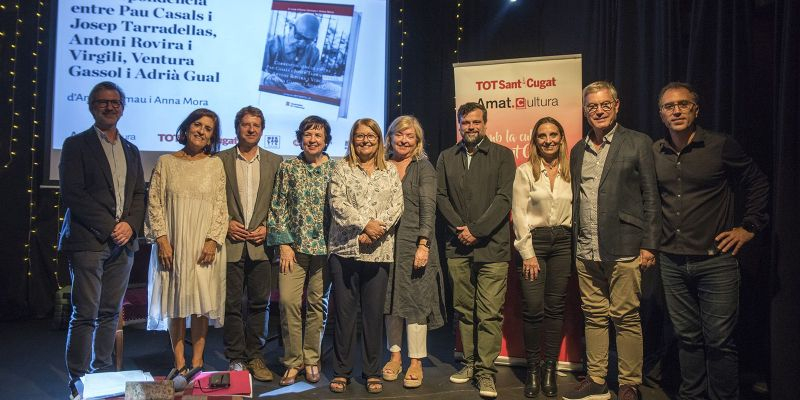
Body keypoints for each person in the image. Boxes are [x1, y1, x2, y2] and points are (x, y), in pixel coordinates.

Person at [652, 82, 769, 400]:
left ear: (695, 109)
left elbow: (757, 181)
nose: (676, 111)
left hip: (716, 260)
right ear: (661, 115)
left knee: (718, 340)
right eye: (668, 106)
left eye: (683, 104)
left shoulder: (720, 145)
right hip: (672, 261)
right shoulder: (655, 152)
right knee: (686, 337)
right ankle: (692, 395)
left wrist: (749, 228)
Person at [562, 81, 660, 400]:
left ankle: (629, 382)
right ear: (585, 111)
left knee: (626, 316)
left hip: (626, 246)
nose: (599, 111)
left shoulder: (637, 142)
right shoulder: (578, 149)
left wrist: (649, 243)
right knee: (593, 315)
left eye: (605, 105)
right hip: (586, 248)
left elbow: (651, 196)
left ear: (617, 106)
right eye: (592, 106)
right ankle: (596, 378)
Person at [59, 81, 146, 400]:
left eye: (115, 102)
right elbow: (74, 194)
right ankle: (79, 379)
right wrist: (113, 226)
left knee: (110, 312)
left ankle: (103, 372)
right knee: (85, 312)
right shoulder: (76, 145)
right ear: (91, 106)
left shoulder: (132, 150)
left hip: (124, 244)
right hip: (88, 242)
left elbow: (138, 194)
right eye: (102, 102)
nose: (109, 107)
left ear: (123, 107)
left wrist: (130, 227)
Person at [437, 102, 516, 398]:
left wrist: (477, 231)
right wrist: (462, 229)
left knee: (490, 313)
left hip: (493, 249)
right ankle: (469, 363)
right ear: (459, 124)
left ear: (485, 123)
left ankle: (485, 372)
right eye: (465, 122)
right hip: (457, 247)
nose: (470, 127)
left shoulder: (503, 155)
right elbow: (441, 197)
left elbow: (504, 199)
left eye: (475, 122)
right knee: (464, 311)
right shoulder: (446, 157)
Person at [145, 108, 227, 385]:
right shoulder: (165, 162)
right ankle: (179, 364)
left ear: (213, 136)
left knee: (201, 304)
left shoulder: (215, 165)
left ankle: (197, 364)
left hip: (203, 245)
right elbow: (154, 203)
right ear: (187, 127)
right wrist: (161, 239)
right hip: (173, 243)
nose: (201, 131)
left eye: (208, 128)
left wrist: (212, 239)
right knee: (175, 301)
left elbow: (220, 206)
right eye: (197, 124)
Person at [327, 118, 403, 394]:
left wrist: (375, 231)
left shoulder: (390, 171)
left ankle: (372, 371)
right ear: (352, 139)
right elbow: (337, 204)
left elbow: (396, 206)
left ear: (379, 140)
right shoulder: (341, 168)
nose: (365, 140)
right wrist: (363, 226)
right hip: (345, 250)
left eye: (371, 136)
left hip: (379, 251)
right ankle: (341, 371)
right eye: (360, 136)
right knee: (345, 316)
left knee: (372, 316)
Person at [267, 115, 336, 386]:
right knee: (288, 303)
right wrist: (283, 244)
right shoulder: (288, 167)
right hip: (293, 249)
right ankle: (293, 361)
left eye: (318, 135)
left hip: (325, 249)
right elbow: (277, 206)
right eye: (308, 134)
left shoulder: (337, 168)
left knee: (317, 305)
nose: (312, 139)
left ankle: (311, 359)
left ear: (326, 139)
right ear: (300, 138)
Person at [217, 106, 282, 382]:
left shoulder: (276, 161)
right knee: (231, 304)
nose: (251, 129)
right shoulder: (218, 160)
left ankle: (256, 356)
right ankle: (235, 359)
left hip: (261, 246)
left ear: (262, 129)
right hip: (230, 244)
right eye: (246, 124)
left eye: (256, 125)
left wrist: (269, 228)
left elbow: (281, 204)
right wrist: (225, 223)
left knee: (259, 304)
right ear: (237, 128)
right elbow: (211, 202)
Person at [381, 116, 446, 389]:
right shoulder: (381, 166)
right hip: (383, 245)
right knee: (390, 302)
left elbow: (429, 211)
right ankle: (394, 357)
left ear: (417, 141)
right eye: (399, 135)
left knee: (416, 304)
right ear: (390, 137)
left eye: (410, 136)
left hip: (415, 245)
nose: (404, 140)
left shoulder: (424, 168)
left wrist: (423, 245)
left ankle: (416, 361)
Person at [511, 117, 573, 398]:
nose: (548, 140)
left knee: (555, 308)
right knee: (533, 308)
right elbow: (519, 215)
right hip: (533, 243)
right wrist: (528, 254)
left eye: (553, 135)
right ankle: (533, 370)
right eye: (542, 136)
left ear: (561, 138)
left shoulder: (572, 170)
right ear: (535, 141)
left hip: (563, 243)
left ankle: (550, 369)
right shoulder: (525, 172)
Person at [261, 13, 322, 89]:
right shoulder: (272, 44)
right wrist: (266, 77)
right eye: (299, 36)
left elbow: (317, 81)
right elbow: (255, 71)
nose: (302, 43)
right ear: (291, 27)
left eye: (308, 40)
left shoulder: (313, 52)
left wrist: (309, 78)